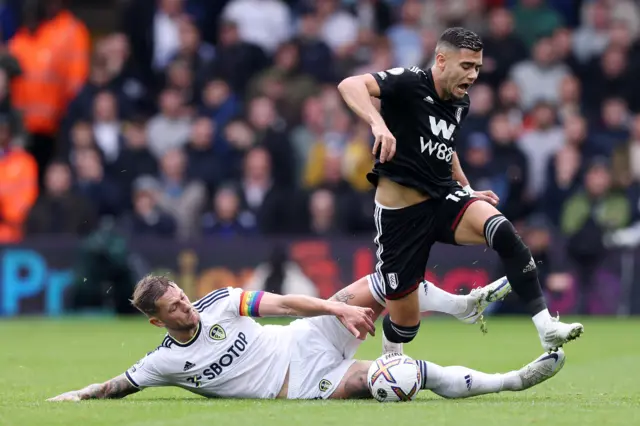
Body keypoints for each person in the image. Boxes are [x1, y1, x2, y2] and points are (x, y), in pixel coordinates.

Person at [337, 27, 583, 355]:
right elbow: (349, 85)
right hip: (400, 218)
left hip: (441, 198)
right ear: (441, 60)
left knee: (503, 231)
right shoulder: (411, 82)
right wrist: (377, 124)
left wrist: (468, 190)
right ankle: (391, 362)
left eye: (477, 67)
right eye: (466, 65)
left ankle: (546, 326)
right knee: (406, 325)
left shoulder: (459, 102)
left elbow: (446, 147)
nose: (473, 75)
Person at [47, 274, 564, 402]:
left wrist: (336, 306)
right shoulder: (164, 362)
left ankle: (463, 305)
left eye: (182, 296)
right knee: (402, 379)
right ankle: (513, 381)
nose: (186, 305)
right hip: (305, 385)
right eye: (174, 307)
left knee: (386, 280)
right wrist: (76, 395)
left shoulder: (221, 302)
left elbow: (287, 303)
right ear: (158, 322)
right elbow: (120, 384)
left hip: (305, 335)